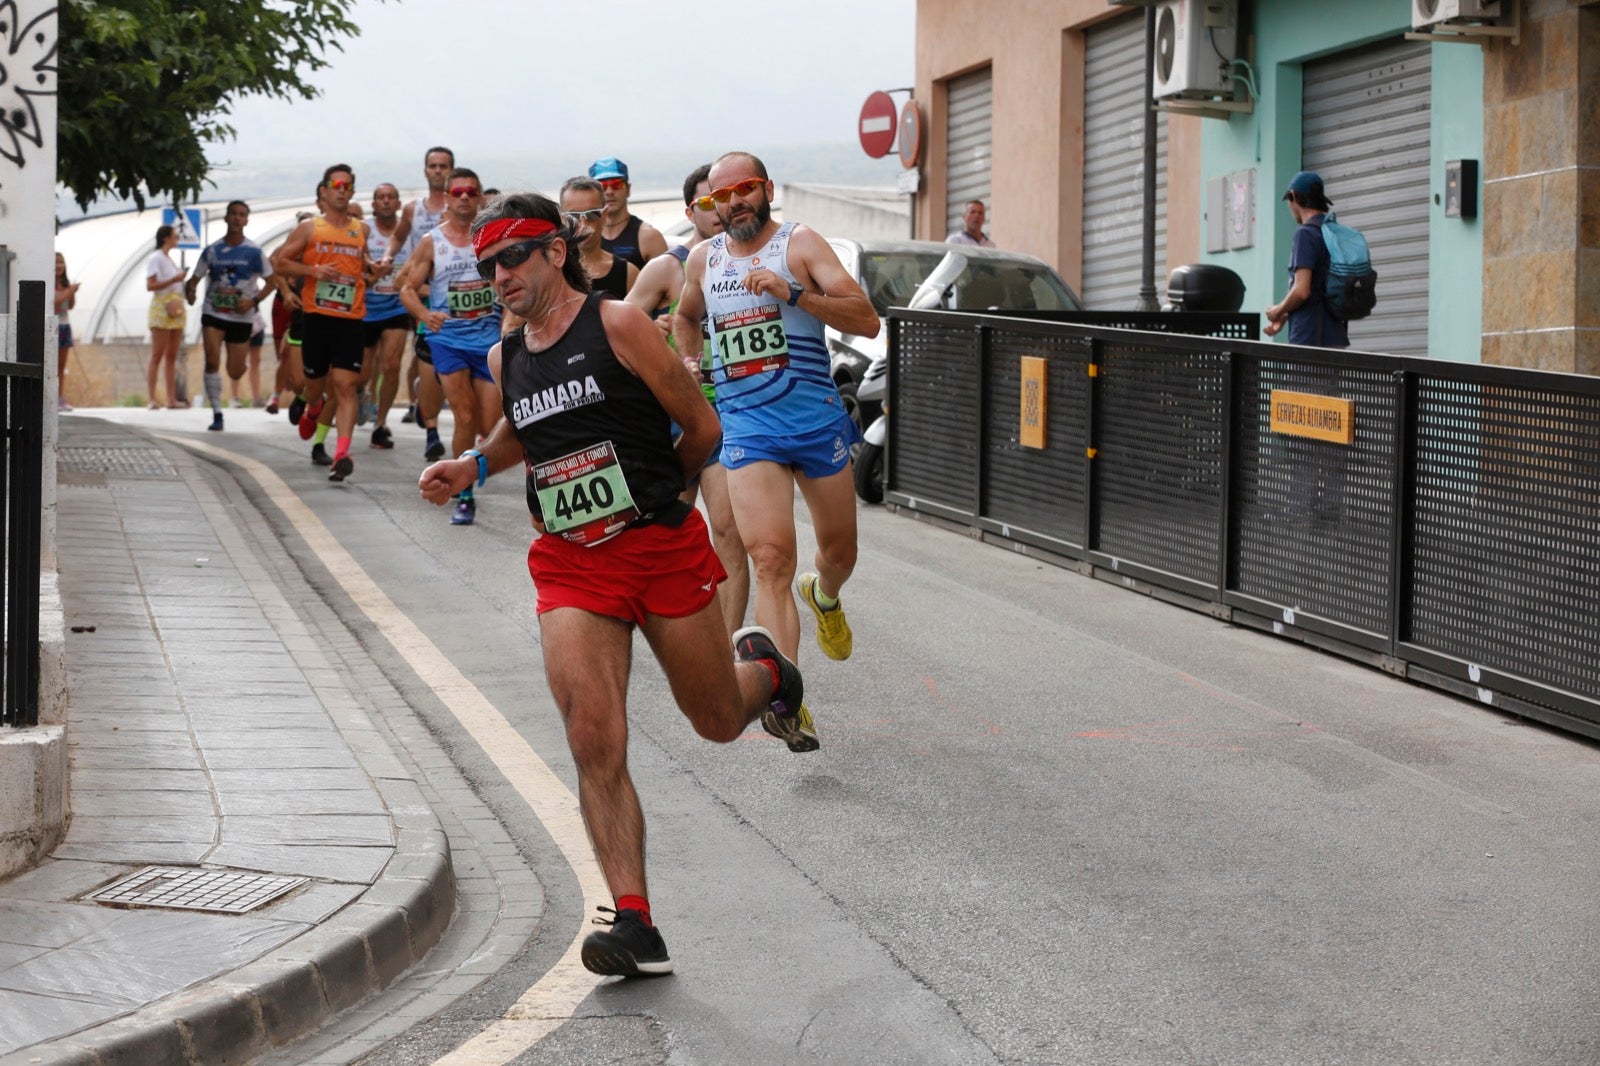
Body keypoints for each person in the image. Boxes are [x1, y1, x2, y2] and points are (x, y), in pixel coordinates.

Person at [419, 191, 807, 977]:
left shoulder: (620, 324)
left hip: (658, 546)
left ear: (555, 253)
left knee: (716, 720)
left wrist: (662, 496)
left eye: (513, 258)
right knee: (592, 735)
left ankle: (769, 673)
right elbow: (523, 427)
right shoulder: (504, 356)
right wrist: (475, 464)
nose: (500, 276)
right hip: (572, 562)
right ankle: (635, 923)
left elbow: (702, 426)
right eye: (489, 266)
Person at [674, 151, 880, 731]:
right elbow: (685, 317)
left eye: (744, 189)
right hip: (749, 429)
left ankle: (826, 596)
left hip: (816, 426)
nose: (734, 202)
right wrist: (689, 359)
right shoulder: (703, 260)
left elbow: (866, 320)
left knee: (839, 554)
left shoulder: (800, 245)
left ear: (765, 189)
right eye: (721, 196)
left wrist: (794, 294)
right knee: (768, 561)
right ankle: (784, 698)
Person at [626, 163, 749, 634]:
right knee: (665, 535)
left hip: (725, 414)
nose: (718, 210)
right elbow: (614, 338)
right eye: (706, 202)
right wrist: (651, 332)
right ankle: (679, 637)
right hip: (671, 418)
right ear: (690, 212)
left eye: (725, 198)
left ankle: (729, 648)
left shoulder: (748, 263)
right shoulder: (667, 267)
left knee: (729, 532)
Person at [398, 168, 502, 525]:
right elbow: (407, 288)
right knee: (465, 415)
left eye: (471, 192)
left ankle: (468, 462)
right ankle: (465, 496)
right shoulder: (432, 241)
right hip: (449, 341)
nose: (464, 197)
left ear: (479, 198)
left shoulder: (492, 237)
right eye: (457, 192)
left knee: (489, 423)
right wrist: (425, 315)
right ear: (447, 197)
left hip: (487, 340)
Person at [271, 164, 371, 482]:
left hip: (350, 320)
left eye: (348, 186)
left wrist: (375, 270)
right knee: (314, 387)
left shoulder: (361, 229)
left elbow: (363, 266)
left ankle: (341, 454)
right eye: (337, 185)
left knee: (345, 386)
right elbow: (280, 263)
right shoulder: (309, 229)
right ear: (324, 192)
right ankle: (310, 405)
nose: (343, 190)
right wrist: (313, 272)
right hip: (317, 319)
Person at [383, 146, 453, 461]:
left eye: (443, 166)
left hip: (460, 304)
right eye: (433, 166)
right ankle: (431, 426)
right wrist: (389, 257)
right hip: (423, 294)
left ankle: (427, 396)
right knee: (426, 358)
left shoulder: (463, 206)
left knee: (445, 367)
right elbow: (398, 237)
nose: (438, 171)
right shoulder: (414, 210)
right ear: (426, 171)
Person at [185, 199, 277, 430]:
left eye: (242, 215)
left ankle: (238, 360)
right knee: (212, 360)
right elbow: (194, 279)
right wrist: (190, 292)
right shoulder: (212, 251)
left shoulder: (254, 252)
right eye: (233, 214)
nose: (237, 218)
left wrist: (253, 301)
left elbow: (272, 282)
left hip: (241, 317)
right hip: (214, 313)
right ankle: (217, 412)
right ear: (226, 218)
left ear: (246, 221)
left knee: (235, 372)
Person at [1264, 171, 1349, 349]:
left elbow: (1302, 291)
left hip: (1309, 338)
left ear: (1293, 196)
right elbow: (1321, 287)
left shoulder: (1305, 234)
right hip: (1335, 334)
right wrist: (1286, 313)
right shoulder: (1333, 232)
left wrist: (1278, 310)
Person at [362, 181, 414, 449]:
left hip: (396, 306)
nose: (385, 201)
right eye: (380, 197)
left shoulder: (409, 232)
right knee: (361, 374)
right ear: (373, 204)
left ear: (398, 204)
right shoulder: (363, 230)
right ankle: (362, 395)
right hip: (365, 308)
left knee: (392, 365)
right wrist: (372, 274)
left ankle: (380, 424)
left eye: (390, 197)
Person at [560, 177, 637, 299]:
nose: (583, 224)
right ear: (563, 219)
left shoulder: (628, 273)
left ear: (604, 215)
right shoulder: (551, 272)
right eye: (573, 216)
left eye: (592, 214)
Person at [588, 157, 667, 268]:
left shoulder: (648, 237)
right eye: (602, 186)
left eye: (617, 184)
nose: (609, 191)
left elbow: (666, 277)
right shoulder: (585, 237)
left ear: (628, 189)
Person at [146, 224, 186, 410]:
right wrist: (174, 280)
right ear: (165, 238)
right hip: (162, 307)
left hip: (175, 307)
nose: (177, 239)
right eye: (174, 236)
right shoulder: (156, 258)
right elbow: (151, 285)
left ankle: (171, 398)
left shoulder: (169, 259)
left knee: (171, 355)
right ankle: (152, 398)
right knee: (157, 354)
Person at [54, 253, 80, 412]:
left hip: (64, 326)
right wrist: (69, 292)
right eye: (56, 262)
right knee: (51, 364)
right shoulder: (49, 283)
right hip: (53, 327)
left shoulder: (66, 284)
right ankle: (51, 397)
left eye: (61, 262)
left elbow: (70, 306)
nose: (59, 266)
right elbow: (54, 304)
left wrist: (72, 292)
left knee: (61, 366)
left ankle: (60, 397)